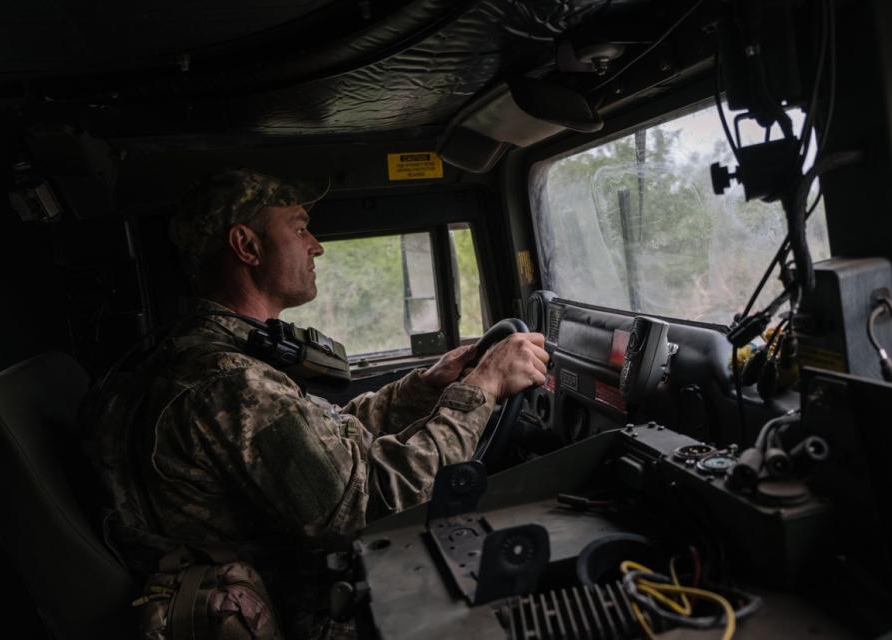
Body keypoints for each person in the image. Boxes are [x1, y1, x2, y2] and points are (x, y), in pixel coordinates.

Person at [86, 168, 549, 637]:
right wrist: (482, 388)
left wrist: (426, 387)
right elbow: (378, 508)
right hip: (306, 612)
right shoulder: (229, 382)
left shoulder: (204, 355)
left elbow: (320, 440)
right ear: (247, 246)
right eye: (299, 227)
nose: (316, 245)